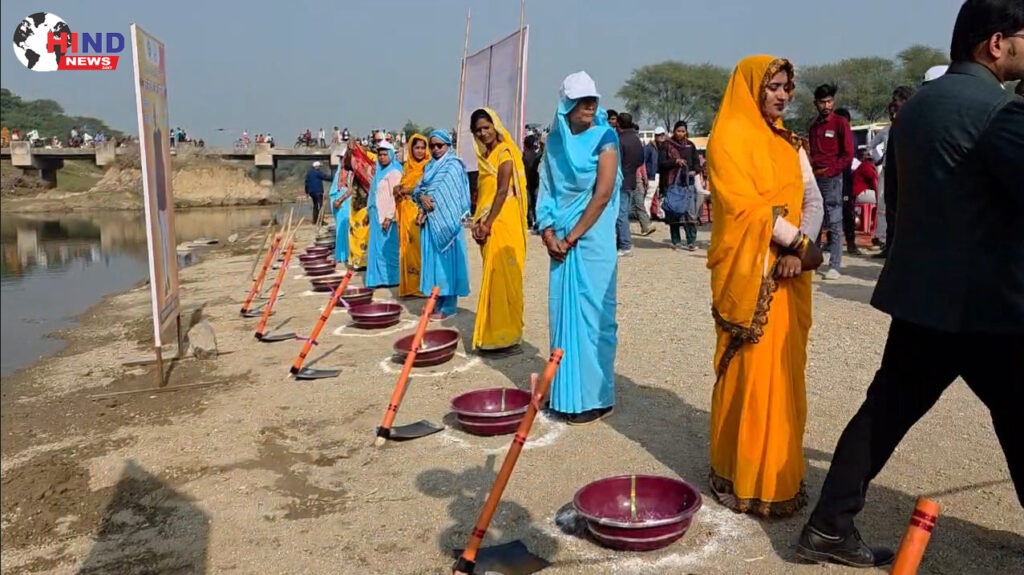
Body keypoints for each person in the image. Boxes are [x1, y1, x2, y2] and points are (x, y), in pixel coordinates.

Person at [798, 0, 1024, 566]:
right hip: (989, 308)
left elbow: (895, 205)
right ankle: (827, 527)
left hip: (924, 300)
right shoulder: (1000, 111)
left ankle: (829, 525)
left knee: (883, 413)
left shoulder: (917, 107)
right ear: (996, 43)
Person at [706, 54, 824, 519]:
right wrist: (799, 243)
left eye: (786, 88)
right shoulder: (728, 139)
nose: (782, 95)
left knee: (784, 372)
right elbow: (742, 207)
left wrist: (799, 252)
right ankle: (739, 474)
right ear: (751, 88)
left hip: (791, 274)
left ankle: (778, 478)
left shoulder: (789, 142)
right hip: (750, 274)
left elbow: (812, 199)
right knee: (749, 374)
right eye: (773, 86)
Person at [536, 71, 622, 426]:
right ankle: (566, 393)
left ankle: (597, 398)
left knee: (595, 318)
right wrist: (548, 233)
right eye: (581, 100)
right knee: (563, 316)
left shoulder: (606, 136)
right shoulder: (555, 144)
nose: (589, 105)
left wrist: (571, 237)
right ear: (566, 105)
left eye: (593, 99)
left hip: (591, 239)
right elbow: (546, 190)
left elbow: (603, 194)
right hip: (560, 242)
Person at [469, 108, 529, 354]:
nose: (483, 133)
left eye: (487, 127)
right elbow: (484, 193)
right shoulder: (486, 156)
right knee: (493, 275)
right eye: (478, 130)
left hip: (504, 218)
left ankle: (509, 335)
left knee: (506, 275)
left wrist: (487, 223)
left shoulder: (505, 153)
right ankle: (494, 333)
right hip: (490, 219)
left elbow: (502, 190)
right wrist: (478, 223)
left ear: (495, 126)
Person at [413, 130, 471, 320]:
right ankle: (435, 301)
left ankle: (448, 306)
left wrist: (431, 200)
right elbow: (418, 189)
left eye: (440, 145)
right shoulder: (429, 166)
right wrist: (422, 197)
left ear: (448, 145)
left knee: (447, 265)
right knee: (433, 264)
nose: (436, 149)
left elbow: (457, 194)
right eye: (432, 146)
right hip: (430, 222)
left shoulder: (454, 165)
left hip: (449, 224)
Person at [808, 83, 854, 279]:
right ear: (816, 103)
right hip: (815, 177)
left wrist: (832, 171)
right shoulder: (813, 126)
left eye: (829, 101)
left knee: (834, 221)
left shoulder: (840, 123)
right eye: (823, 102)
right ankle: (813, 262)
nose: (826, 105)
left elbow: (848, 154)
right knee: (815, 220)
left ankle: (835, 265)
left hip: (832, 179)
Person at [868, 86, 915, 256]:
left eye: (896, 101)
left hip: (906, 172)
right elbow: (872, 148)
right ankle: (889, 247)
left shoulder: (914, 125)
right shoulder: (892, 127)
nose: (893, 106)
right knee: (889, 209)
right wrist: (879, 159)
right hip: (890, 171)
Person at [396, 133, 429, 297]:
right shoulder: (407, 167)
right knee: (407, 249)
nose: (420, 151)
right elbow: (402, 186)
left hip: (419, 212)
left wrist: (406, 190)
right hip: (405, 211)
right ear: (411, 149)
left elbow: (427, 188)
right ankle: (410, 287)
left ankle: (422, 286)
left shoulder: (429, 167)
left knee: (419, 248)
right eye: (417, 148)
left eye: (423, 148)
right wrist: (398, 189)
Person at [659, 121, 701, 250]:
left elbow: (696, 162)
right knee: (674, 212)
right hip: (672, 184)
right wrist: (675, 161)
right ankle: (675, 240)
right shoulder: (667, 145)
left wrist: (695, 171)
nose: (680, 134)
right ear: (674, 131)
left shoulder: (690, 145)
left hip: (688, 184)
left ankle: (691, 241)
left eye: (683, 131)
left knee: (690, 214)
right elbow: (661, 163)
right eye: (678, 131)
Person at [365, 141, 402, 288]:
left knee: (388, 249)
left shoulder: (394, 172)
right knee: (376, 249)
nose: (382, 157)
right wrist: (368, 212)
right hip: (376, 215)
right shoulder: (378, 173)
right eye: (379, 155)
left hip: (387, 217)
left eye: (385, 154)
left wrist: (389, 216)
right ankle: (378, 279)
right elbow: (373, 194)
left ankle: (392, 278)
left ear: (391, 155)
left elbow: (395, 198)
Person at [615, 112, 652, 254]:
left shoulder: (619, 140)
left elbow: (616, 162)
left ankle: (625, 245)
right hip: (632, 180)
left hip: (620, 181)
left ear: (618, 123)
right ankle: (621, 243)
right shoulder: (636, 140)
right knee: (623, 212)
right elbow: (640, 160)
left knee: (620, 214)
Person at [833, 108, 862, 255]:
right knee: (831, 209)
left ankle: (851, 242)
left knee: (847, 209)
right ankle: (831, 242)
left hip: (846, 178)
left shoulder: (851, 137)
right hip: (832, 177)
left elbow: (850, 157)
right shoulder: (831, 136)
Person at [329, 151, 352, 264]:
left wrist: (340, 200)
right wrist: (335, 200)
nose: (342, 161)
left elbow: (351, 189)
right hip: (338, 202)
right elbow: (334, 188)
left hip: (346, 202)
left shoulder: (352, 172)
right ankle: (341, 255)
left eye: (343, 158)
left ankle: (348, 254)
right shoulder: (339, 171)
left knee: (347, 227)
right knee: (339, 228)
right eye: (341, 158)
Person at [522, 134, 543, 232]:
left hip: (527, 183)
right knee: (536, 203)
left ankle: (529, 221)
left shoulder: (523, 156)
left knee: (528, 203)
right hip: (536, 182)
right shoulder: (538, 155)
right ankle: (537, 222)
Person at [643, 128, 662, 217]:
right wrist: (646, 175)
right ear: (655, 136)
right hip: (652, 175)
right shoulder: (649, 147)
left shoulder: (660, 147)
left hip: (658, 174)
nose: (661, 137)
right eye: (659, 135)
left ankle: (654, 213)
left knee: (656, 196)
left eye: (662, 134)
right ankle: (646, 215)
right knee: (649, 196)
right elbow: (644, 161)